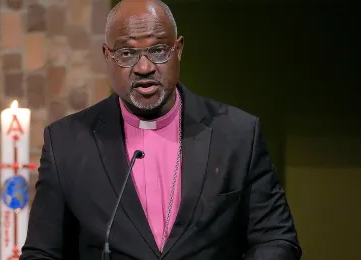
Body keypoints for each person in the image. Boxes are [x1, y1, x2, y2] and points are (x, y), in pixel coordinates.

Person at [20, 0, 302, 259]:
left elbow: (276, 239)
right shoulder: (67, 142)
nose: (144, 67)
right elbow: (42, 253)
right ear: (107, 56)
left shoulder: (237, 134)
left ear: (178, 50)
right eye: (127, 53)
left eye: (158, 50)